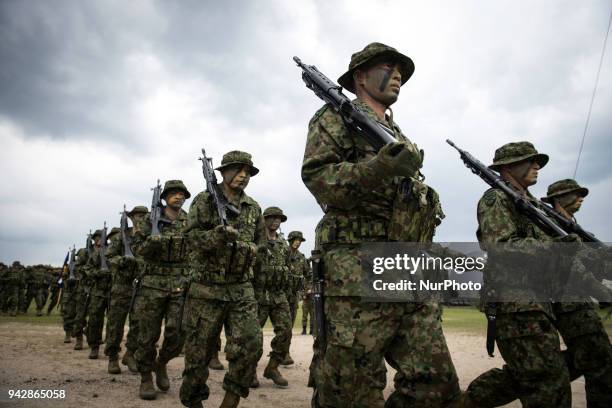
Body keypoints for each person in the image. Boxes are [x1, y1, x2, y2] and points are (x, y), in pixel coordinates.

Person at [301, 42, 460, 407]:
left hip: (409, 266)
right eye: (388, 67)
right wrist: (380, 167)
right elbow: (318, 179)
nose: (398, 75)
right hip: (358, 268)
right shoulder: (334, 117)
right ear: (360, 76)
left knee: (436, 384)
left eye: (401, 70)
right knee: (349, 389)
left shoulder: (396, 132)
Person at [180, 150, 264, 408]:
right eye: (238, 170)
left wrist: (250, 253)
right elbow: (190, 239)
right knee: (198, 352)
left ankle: (230, 401)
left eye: (248, 172)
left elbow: (262, 246)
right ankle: (193, 400)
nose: (243, 176)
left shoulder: (253, 207)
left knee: (251, 344)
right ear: (223, 172)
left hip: (241, 288)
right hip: (206, 288)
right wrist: (216, 235)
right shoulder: (204, 201)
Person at [133, 180, 190, 400]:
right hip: (152, 285)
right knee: (147, 334)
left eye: (182, 194)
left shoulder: (189, 220)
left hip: (180, 284)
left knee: (179, 332)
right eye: (174, 194)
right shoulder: (150, 220)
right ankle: (146, 377)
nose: (178, 197)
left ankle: (161, 363)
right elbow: (136, 248)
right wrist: (152, 242)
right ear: (165, 197)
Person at [251, 206, 292, 387]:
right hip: (258, 294)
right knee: (253, 336)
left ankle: (273, 367)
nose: (276, 221)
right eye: (272, 217)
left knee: (286, 332)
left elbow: (287, 268)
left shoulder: (283, 244)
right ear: (264, 219)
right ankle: (250, 370)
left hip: (278, 295)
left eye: (279, 219)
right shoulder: (256, 241)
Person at [104, 206, 148, 374]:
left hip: (142, 286)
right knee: (115, 324)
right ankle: (113, 357)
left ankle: (130, 353)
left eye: (144, 215)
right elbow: (109, 257)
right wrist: (122, 261)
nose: (140, 218)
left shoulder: (149, 235)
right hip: (122, 286)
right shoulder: (122, 237)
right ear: (131, 218)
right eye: (137, 215)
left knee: (139, 324)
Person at [283, 230, 311, 364]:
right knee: (282, 326)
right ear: (290, 240)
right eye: (296, 239)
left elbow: (308, 274)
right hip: (280, 295)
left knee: (289, 326)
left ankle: (285, 353)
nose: (298, 242)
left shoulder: (302, 257)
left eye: (300, 240)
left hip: (294, 296)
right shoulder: (283, 253)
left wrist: (308, 288)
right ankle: (279, 352)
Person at [86, 228, 112, 359]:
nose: (98, 240)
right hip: (98, 291)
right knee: (95, 319)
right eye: (96, 238)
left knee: (113, 321)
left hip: (113, 290)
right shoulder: (94, 254)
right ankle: (94, 346)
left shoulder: (113, 250)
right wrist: (98, 274)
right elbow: (88, 270)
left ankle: (111, 348)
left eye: (100, 237)